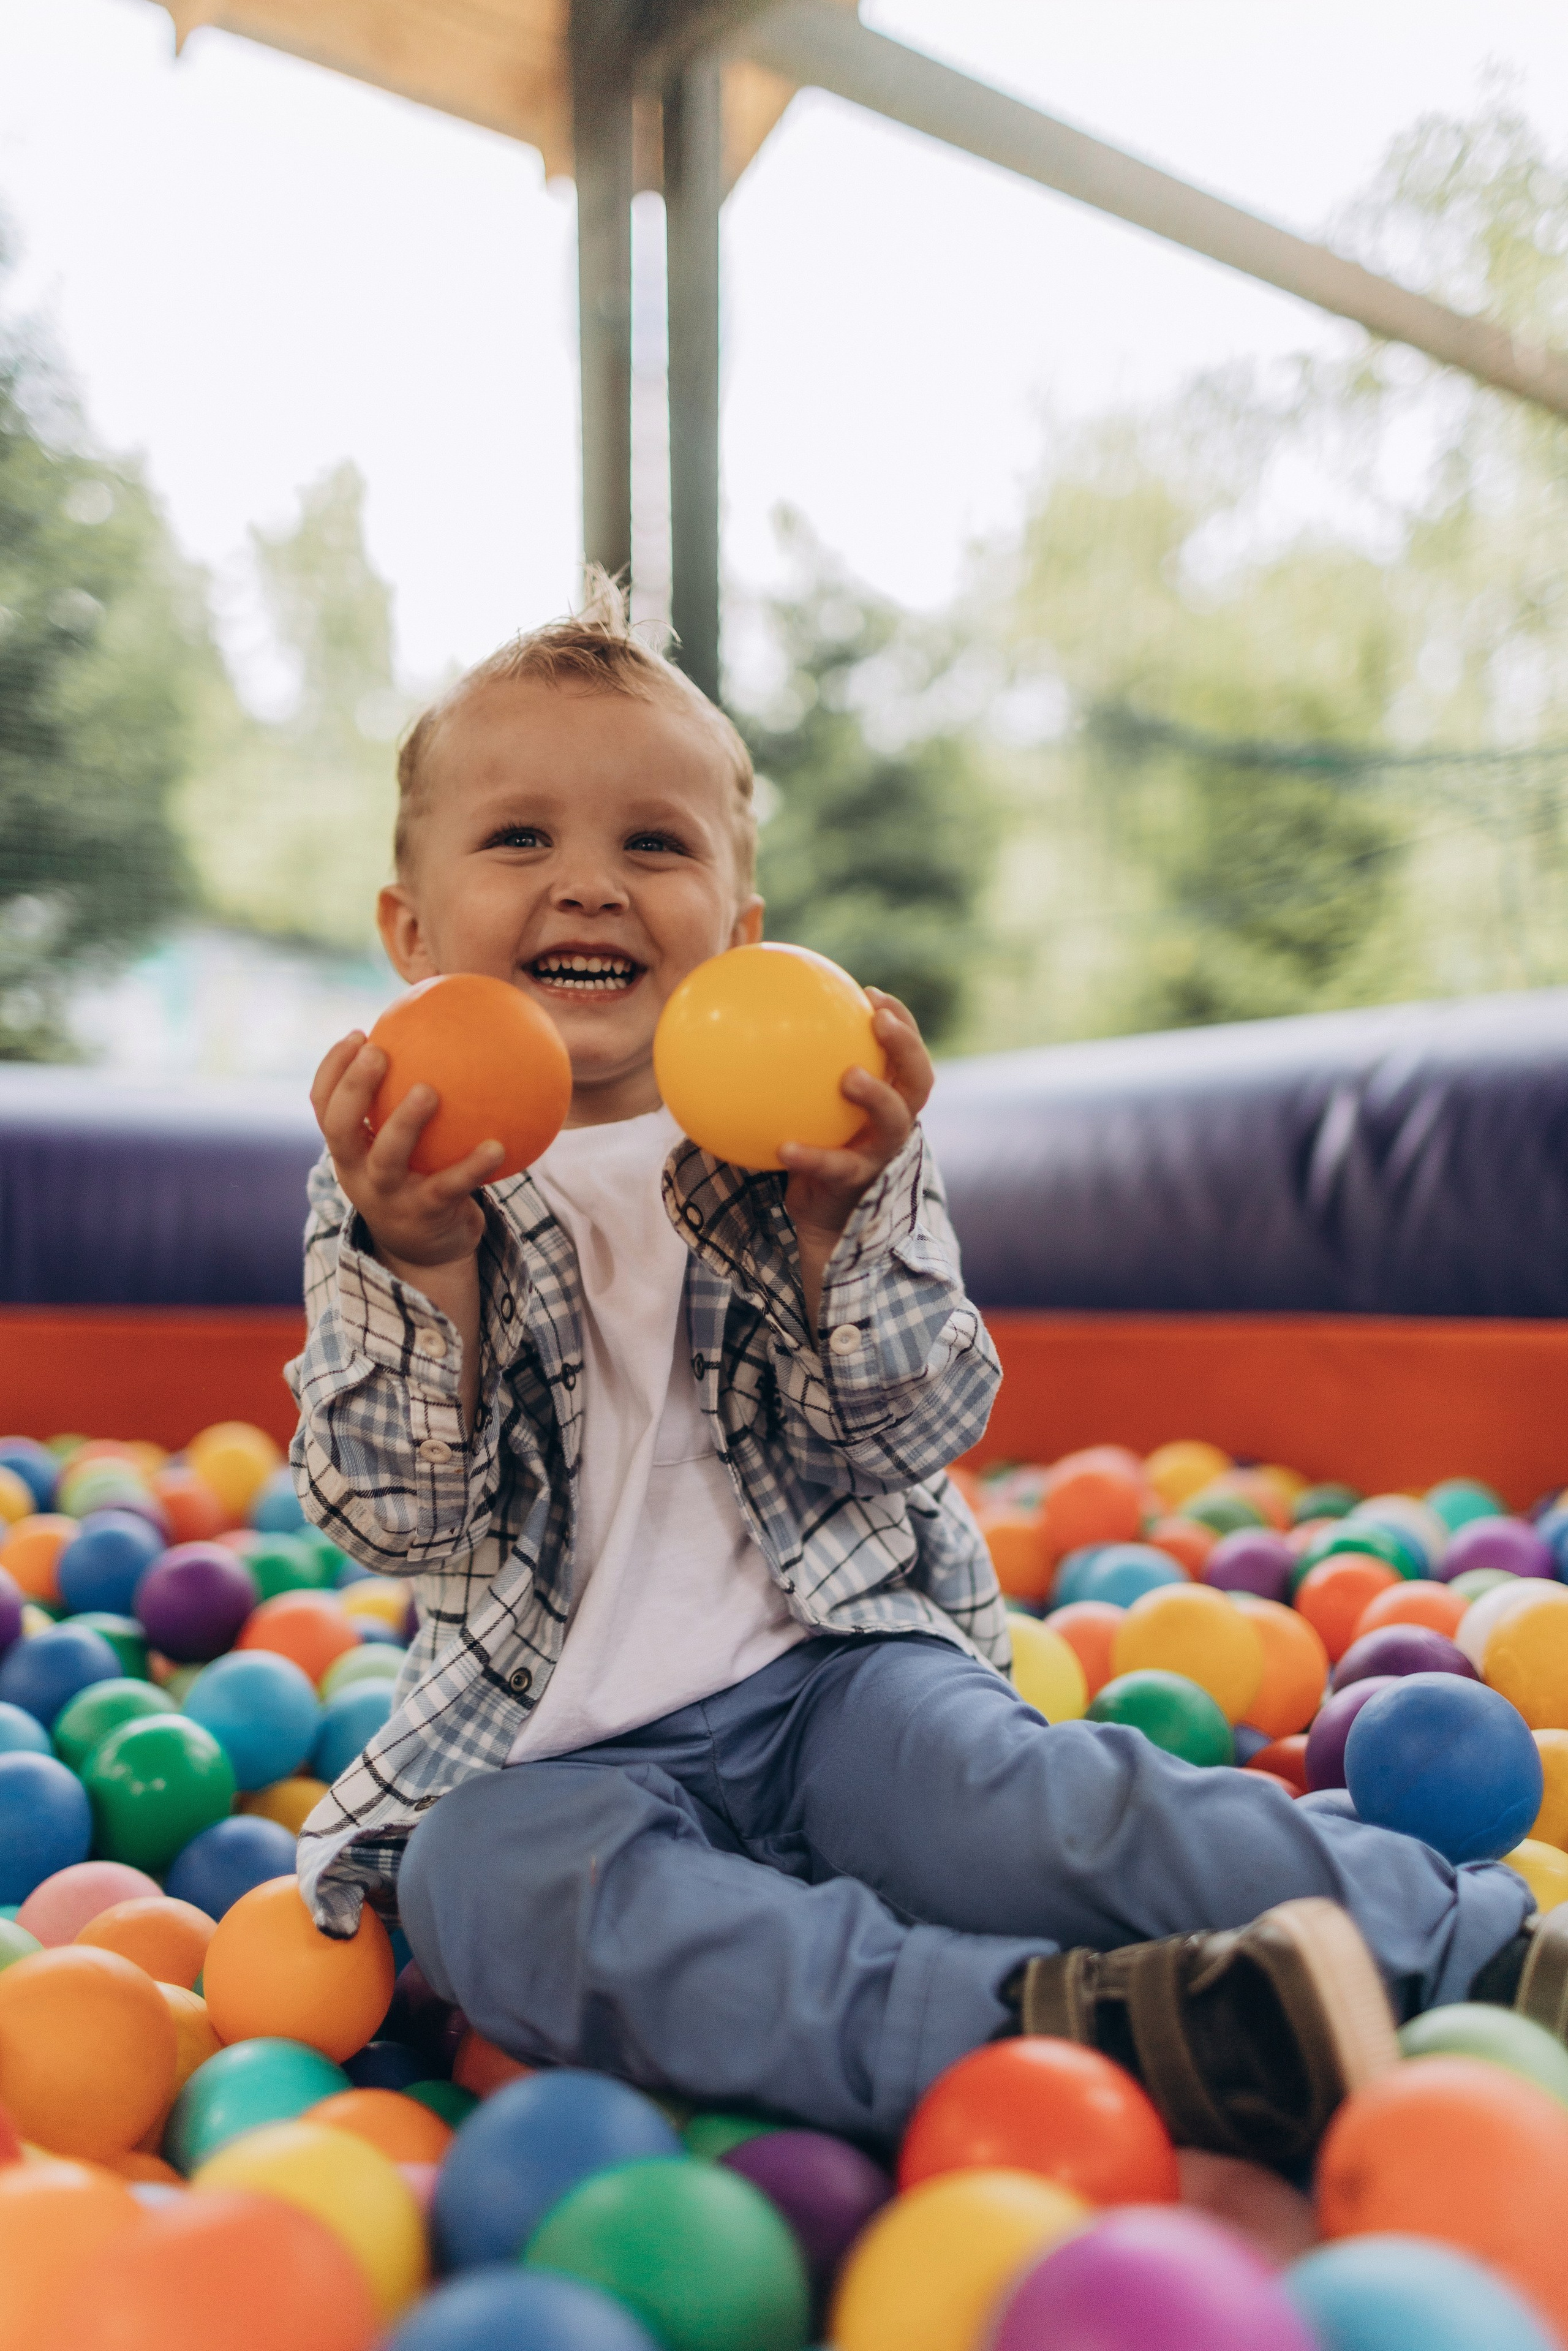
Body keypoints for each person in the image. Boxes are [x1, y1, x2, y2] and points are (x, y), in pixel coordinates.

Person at [290, 575, 1551, 2165]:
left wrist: (838, 1226)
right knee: (481, 1894)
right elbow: (396, 1521)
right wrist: (425, 1263)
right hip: (557, 1754)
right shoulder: (399, 1178)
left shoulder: (811, 1123)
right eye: (521, 840)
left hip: (839, 1676)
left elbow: (911, 1432)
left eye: (655, 845)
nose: (591, 887)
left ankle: (1476, 1949)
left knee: (1041, 1806)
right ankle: (1068, 2029)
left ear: (743, 930)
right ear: (410, 934)